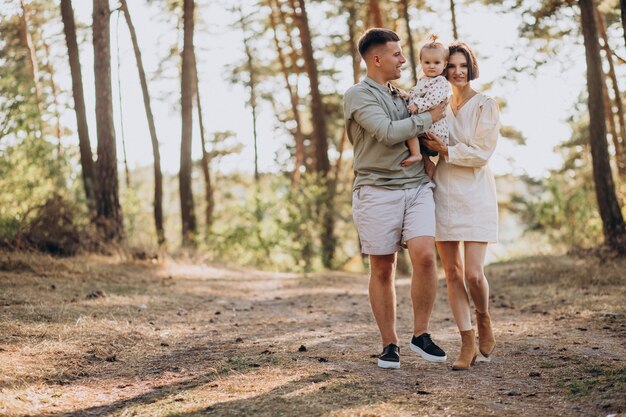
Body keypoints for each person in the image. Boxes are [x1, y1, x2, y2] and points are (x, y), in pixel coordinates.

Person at [343, 28, 448, 369]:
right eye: (397, 54)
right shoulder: (358, 95)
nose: (404, 59)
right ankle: (390, 344)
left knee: (425, 257)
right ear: (376, 59)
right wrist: (428, 118)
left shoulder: (403, 95)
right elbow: (388, 133)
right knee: (384, 268)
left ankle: (421, 334)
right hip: (376, 189)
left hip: (416, 185)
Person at [422, 41, 500, 371]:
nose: (456, 71)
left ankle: (483, 317)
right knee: (452, 273)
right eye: (450, 65)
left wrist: (447, 149)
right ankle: (466, 340)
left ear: (470, 67)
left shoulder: (485, 104)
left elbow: (482, 153)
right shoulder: (437, 104)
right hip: (443, 192)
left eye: (461, 65)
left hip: (476, 193)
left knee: (473, 274)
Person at [401, 34, 451, 167]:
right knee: (407, 128)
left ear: (444, 64)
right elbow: (417, 94)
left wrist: (417, 105)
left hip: (436, 128)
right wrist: (407, 96)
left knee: (408, 127)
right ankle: (423, 159)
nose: (432, 66)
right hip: (426, 123)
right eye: (427, 62)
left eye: (437, 63)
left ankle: (419, 155)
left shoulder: (440, 81)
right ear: (421, 63)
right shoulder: (423, 80)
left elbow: (433, 99)